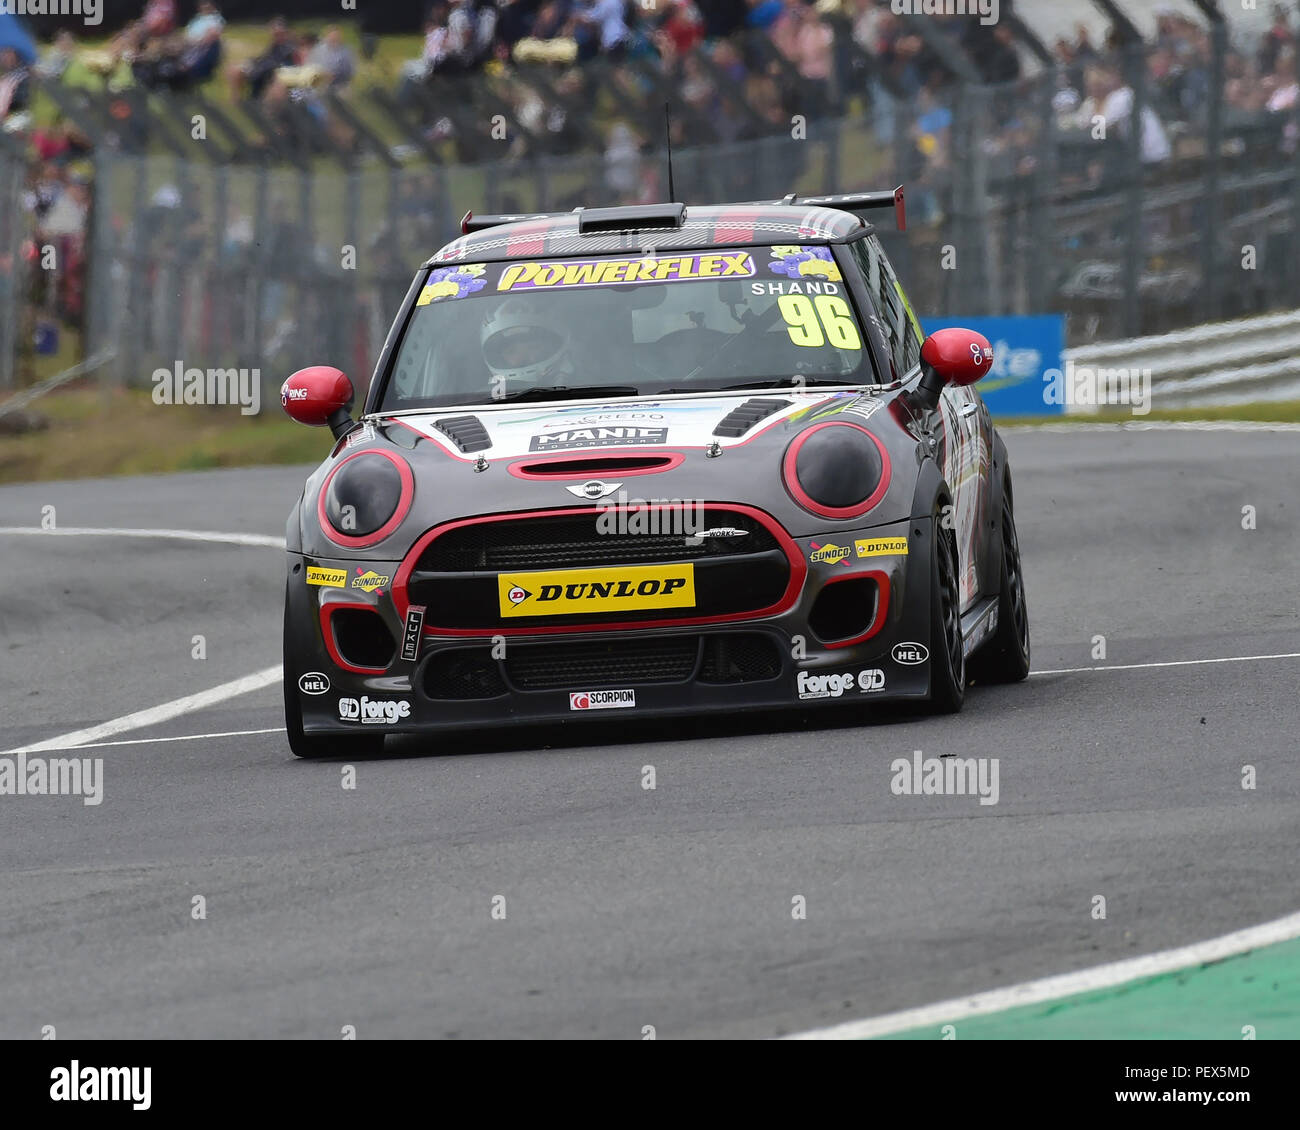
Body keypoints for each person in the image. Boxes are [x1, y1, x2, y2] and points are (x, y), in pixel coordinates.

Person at [480, 299, 574, 386]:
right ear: (499, 358)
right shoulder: (481, 400)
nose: (525, 357)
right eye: (512, 351)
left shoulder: (583, 387)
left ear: (552, 346)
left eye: (533, 347)